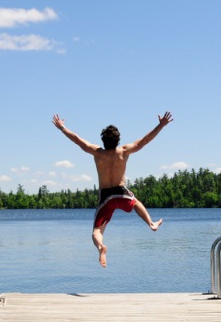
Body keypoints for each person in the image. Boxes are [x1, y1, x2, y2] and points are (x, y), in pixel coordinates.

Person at [52, 111, 174, 267]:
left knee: (97, 231)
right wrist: (161, 125)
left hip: (106, 197)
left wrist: (62, 128)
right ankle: (151, 223)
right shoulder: (123, 151)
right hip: (121, 193)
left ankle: (100, 247)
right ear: (118, 140)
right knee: (135, 202)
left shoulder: (97, 152)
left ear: (103, 140)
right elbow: (144, 141)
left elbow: (77, 140)